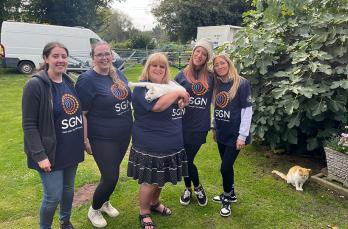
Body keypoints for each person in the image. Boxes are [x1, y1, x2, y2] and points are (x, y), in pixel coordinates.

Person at [22, 42, 84, 229]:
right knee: (52, 197)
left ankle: (65, 222)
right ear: (46, 58)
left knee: (68, 191)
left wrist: (84, 140)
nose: (60, 60)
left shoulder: (68, 81)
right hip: (50, 151)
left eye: (63, 56)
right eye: (55, 56)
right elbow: (29, 125)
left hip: (70, 147)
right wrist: (40, 156)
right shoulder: (35, 85)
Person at [127, 53, 189, 229]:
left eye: (162, 66)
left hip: (172, 142)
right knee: (150, 179)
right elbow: (157, 106)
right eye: (154, 65)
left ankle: (154, 203)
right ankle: (144, 211)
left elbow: (185, 98)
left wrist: (184, 96)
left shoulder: (169, 86)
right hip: (151, 143)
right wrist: (179, 92)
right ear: (148, 67)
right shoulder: (142, 89)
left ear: (166, 70)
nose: (158, 69)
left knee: (161, 178)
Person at [75, 41, 133, 228]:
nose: (104, 57)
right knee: (110, 177)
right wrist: (85, 140)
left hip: (123, 135)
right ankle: (94, 209)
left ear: (112, 55)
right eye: (99, 54)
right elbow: (82, 114)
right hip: (102, 137)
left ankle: (105, 202)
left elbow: (128, 98)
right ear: (93, 57)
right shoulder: (86, 80)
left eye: (107, 54)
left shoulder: (118, 73)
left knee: (112, 173)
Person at [211, 54, 253, 217]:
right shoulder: (218, 84)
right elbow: (217, 107)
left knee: (225, 167)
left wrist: (242, 135)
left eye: (222, 63)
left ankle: (227, 199)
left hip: (235, 135)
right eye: (216, 65)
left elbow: (247, 111)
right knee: (226, 166)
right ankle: (232, 193)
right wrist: (215, 126)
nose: (220, 66)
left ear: (228, 64)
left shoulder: (241, 83)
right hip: (222, 132)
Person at [174, 38, 214, 206]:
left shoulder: (211, 77)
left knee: (187, 160)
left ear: (206, 58)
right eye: (198, 51)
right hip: (182, 125)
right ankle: (189, 189)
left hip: (200, 126)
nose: (199, 55)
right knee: (184, 159)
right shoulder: (181, 75)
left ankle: (196, 188)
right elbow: (173, 98)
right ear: (193, 52)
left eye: (204, 54)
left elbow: (217, 98)